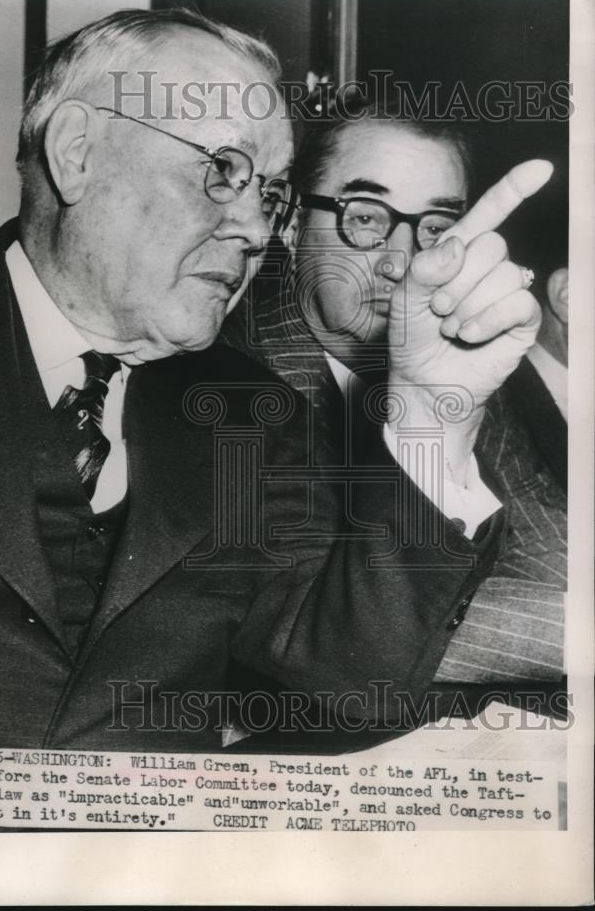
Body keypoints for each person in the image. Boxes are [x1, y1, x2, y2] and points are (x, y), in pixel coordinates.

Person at [0, 9, 545, 831]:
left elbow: (339, 688)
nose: (257, 228)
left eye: (270, 192)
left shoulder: (248, 414)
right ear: (77, 152)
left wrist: (436, 409)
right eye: (223, 169)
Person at [223, 102, 565, 683]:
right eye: (365, 217)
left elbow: (550, 548)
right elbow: (325, 627)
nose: (402, 262)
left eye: (436, 228)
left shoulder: (459, 355)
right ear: (288, 222)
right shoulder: (224, 372)